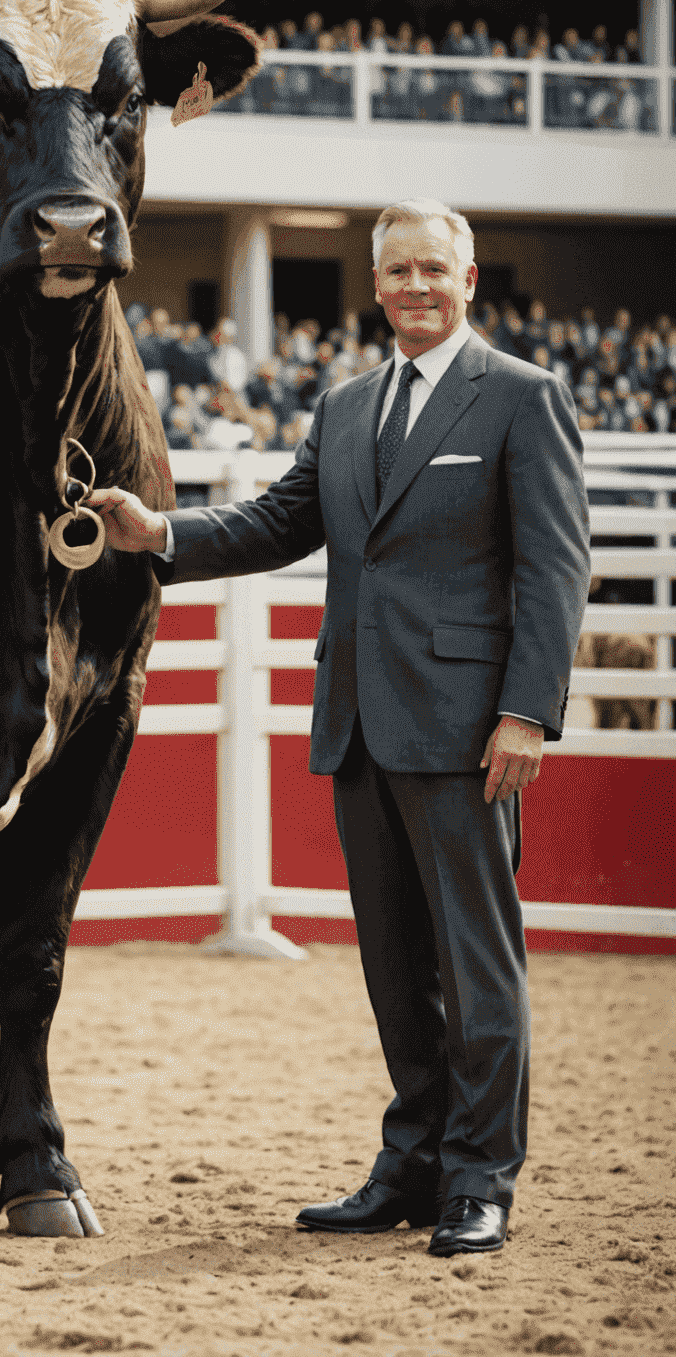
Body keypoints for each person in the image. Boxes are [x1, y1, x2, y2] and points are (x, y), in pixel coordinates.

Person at [90, 198, 590, 1259]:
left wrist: (525, 713)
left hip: (468, 733)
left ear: (467, 278)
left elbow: (555, 570)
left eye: (432, 270)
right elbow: (278, 521)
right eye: (396, 271)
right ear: (376, 285)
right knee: (394, 966)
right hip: (359, 722)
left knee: (478, 966)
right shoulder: (349, 405)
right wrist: (159, 532)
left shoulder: (523, 398)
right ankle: (411, 1163)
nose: (414, 287)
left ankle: (479, 1178)